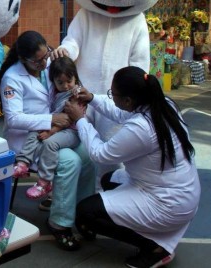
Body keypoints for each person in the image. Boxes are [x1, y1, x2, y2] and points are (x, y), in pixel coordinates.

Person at [64, 66, 201, 267]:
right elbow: (120, 114)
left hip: (168, 203)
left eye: (114, 94)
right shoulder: (162, 105)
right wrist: (93, 97)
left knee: (86, 213)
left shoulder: (141, 128)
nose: (112, 97)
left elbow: (100, 153)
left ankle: (154, 247)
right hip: (183, 193)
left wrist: (81, 120)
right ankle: (152, 231)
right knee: (108, 180)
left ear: (128, 100)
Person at [0, 30, 95, 251]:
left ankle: (84, 213)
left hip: (57, 131)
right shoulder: (12, 78)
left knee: (89, 155)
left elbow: (68, 81)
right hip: (28, 140)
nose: (44, 62)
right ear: (23, 60)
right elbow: (13, 118)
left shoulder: (49, 65)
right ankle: (60, 223)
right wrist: (51, 120)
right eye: (37, 60)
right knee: (70, 162)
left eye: (46, 54)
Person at [14, 56, 85, 200]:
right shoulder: (55, 92)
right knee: (34, 131)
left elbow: (68, 119)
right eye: (60, 82)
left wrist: (50, 132)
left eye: (69, 81)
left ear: (75, 78)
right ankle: (23, 163)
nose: (65, 85)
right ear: (53, 81)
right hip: (53, 125)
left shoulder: (76, 94)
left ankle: (45, 181)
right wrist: (45, 127)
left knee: (49, 143)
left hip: (71, 131)